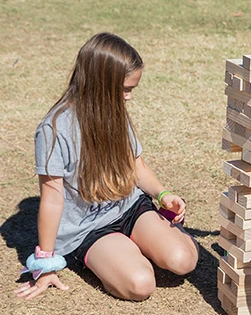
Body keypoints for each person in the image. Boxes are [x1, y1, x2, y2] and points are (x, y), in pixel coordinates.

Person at [15, 33, 199, 301]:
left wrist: (162, 195)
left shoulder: (113, 112)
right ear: (101, 85)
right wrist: (45, 263)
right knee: (140, 285)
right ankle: (115, 251)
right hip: (89, 227)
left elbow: (136, 166)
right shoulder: (54, 130)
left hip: (130, 207)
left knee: (183, 261)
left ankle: (138, 241)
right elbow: (52, 199)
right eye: (125, 89)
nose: (128, 98)